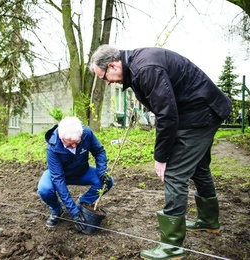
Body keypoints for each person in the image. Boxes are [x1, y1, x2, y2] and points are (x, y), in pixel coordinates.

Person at [90, 45, 232, 260]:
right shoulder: (136, 67)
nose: (108, 82)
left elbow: (167, 115)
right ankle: (208, 221)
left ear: (112, 65)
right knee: (199, 167)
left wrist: (161, 157)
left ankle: (171, 247)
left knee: (174, 174)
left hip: (200, 113)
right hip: (199, 110)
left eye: (105, 78)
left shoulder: (145, 68)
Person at [37, 116, 114, 231]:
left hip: (81, 171)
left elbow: (99, 151)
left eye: (76, 142)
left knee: (107, 181)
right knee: (44, 189)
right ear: (61, 138)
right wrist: (74, 213)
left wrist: (102, 171)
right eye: (69, 144)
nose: (74, 146)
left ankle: (82, 203)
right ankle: (56, 210)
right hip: (58, 175)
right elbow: (58, 180)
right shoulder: (52, 148)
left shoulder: (86, 133)